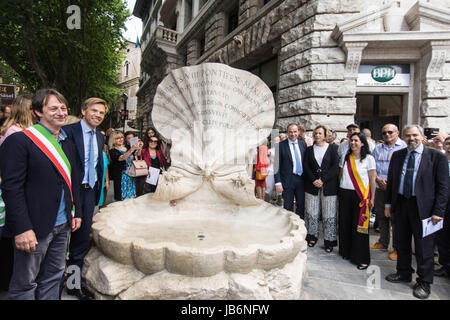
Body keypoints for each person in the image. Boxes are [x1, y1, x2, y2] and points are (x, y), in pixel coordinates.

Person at [0, 88, 81, 300]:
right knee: (25, 283)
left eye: (63, 108)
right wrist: (22, 228)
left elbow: (71, 182)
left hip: (62, 224)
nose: (61, 112)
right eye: (53, 108)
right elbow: (11, 189)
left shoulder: (66, 144)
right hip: (34, 227)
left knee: (54, 277)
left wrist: (77, 212)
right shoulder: (19, 141)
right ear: (38, 112)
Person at [384, 125, 448, 300]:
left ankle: (424, 282)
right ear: (403, 138)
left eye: (414, 135)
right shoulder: (398, 156)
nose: (411, 139)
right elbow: (392, 182)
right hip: (402, 204)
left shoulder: (435, 157)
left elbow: (443, 187)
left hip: (425, 209)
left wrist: (439, 211)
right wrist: (388, 204)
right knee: (401, 241)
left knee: (424, 247)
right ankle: (403, 272)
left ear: (421, 136)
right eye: (408, 136)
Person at [62, 97, 107, 300]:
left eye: (101, 113)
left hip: (89, 193)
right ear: (83, 111)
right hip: (69, 192)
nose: (98, 115)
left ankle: (73, 284)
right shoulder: (68, 133)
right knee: (59, 237)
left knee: (80, 241)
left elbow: (97, 165)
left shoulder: (100, 137)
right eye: (94, 111)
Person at [338, 132, 376, 270]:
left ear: (362, 143)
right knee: (345, 223)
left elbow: (372, 180)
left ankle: (361, 258)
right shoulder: (345, 157)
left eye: (356, 141)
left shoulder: (369, 159)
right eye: (351, 140)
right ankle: (346, 251)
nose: (353, 143)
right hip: (344, 193)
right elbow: (341, 175)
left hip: (361, 196)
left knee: (360, 227)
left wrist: (372, 198)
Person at [370, 124, 406, 261]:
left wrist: (390, 182)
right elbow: (373, 167)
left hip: (395, 189)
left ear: (397, 133)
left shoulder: (403, 147)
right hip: (380, 187)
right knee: (381, 215)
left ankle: (397, 247)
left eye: (390, 132)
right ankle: (383, 242)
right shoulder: (378, 148)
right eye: (384, 133)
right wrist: (378, 180)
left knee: (396, 219)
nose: (387, 135)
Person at [303, 125, 339, 252]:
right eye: (316, 133)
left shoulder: (333, 148)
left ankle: (329, 241)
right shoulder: (309, 149)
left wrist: (323, 180)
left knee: (329, 214)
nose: (317, 135)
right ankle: (311, 236)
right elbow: (306, 165)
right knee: (311, 212)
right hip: (311, 185)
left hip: (329, 186)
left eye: (320, 133)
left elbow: (335, 167)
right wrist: (314, 180)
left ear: (325, 135)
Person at [275, 123, 307, 219]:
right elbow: (276, 165)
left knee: (301, 205)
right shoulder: (280, 146)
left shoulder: (303, 144)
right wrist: (278, 182)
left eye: (295, 131)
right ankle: (288, 227)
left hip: (301, 179)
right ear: (287, 133)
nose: (293, 134)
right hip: (288, 180)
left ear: (298, 132)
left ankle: (299, 228)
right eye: (290, 132)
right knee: (288, 206)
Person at [434, 136, 450, 278]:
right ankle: (445, 265)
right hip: (442, 202)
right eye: (447, 143)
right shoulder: (440, 159)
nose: (449, 145)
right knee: (442, 235)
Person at [109, 131, 140, 200]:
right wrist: (132, 149)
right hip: (121, 175)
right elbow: (122, 158)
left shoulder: (128, 146)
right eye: (117, 138)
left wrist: (140, 147)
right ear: (113, 140)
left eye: (122, 137)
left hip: (131, 173)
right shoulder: (112, 151)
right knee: (121, 196)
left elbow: (137, 154)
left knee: (132, 194)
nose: (120, 139)